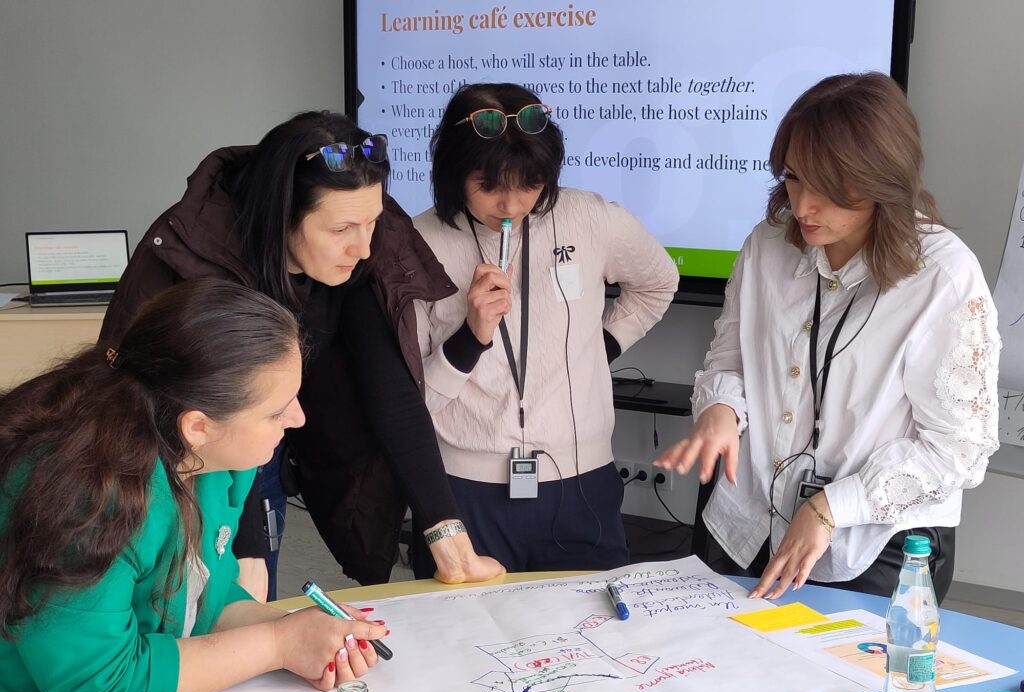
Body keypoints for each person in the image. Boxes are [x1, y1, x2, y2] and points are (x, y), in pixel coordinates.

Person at [100, 111, 504, 600]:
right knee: (200, 600)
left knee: (253, 598)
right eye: (342, 230)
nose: (363, 247)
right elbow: (185, 413)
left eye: (372, 223)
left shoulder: (357, 253)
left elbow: (391, 389)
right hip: (178, 460)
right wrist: (243, 544)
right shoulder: (199, 259)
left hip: (262, 442)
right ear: (283, 217)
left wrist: (445, 531)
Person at [655, 73, 1000, 604]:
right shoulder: (766, 246)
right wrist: (720, 408)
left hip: (871, 543)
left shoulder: (944, 278)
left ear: (883, 182)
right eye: (794, 179)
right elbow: (730, 359)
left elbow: (959, 450)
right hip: (745, 520)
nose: (802, 208)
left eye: (829, 190)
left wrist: (831, 507)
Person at [0, 279, 387, 692]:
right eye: (276, 410)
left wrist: (298, 632)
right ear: (198, 426)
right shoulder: (83, 499)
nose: (299, 417)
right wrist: (278, 644)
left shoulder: (216, 461)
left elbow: (207, 595)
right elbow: (103, 685)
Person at [413, 83, 679, 574]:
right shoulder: (416, 243)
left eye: (530, 184)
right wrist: (470, 338)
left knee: (592, 619)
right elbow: (410, 401)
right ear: (454, 173)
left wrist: (599, 348)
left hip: (581, 483)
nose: (512, 205)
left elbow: (658, 283)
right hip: (463, 489)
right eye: (489, 186)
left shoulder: (591, 218)